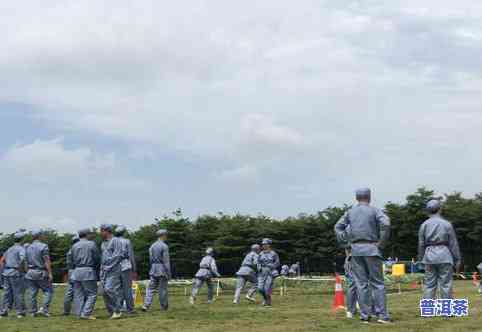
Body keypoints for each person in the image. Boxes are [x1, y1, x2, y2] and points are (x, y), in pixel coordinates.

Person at [335, 188, 391, 324]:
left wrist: (346, 242)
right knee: (377, 283)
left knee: (361, 284)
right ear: (369, 197)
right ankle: (382, 316)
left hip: (355, 250)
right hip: (371, 248)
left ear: (356, 197)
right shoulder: (374, 210)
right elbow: (386, 223)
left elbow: (338, 227)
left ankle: (365, 315)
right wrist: (381, 243)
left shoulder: (350, 212)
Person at [418, 199, 461, 299]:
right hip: (445, 256)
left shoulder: (424, 225)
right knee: (446, 284)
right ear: (440, 209)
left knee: (429, 284)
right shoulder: (447, 224)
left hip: (429, 256)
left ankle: (427, 312)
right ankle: (447, 311)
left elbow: (421, 245)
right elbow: (453, 244)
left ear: (428, 210)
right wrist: (457, 259)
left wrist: (421, 260)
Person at [72, 228, 100, 320]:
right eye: (90, 234)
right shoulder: (91, 244)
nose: (91, 235)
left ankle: (78, 313)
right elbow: (97, 258)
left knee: (78, 293)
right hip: (88, 270)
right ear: (87, 235)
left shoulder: (74, 245)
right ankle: (86, 313)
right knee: (92, 293)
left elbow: (72, 259)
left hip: (76, 271)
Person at [25, 229, 54, 317]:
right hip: (40, 272)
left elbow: (25, 261)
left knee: (32, 293)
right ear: (39, 236)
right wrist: (50, 273)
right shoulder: (43, 246)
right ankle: (44, 310)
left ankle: (33, 312)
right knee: (48, 291)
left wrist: (27, 271)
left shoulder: (27, 247)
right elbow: (46, 260)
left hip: (30, 272)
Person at [100, 224, 126, 319]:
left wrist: (109, 266)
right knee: (103, 292)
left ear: (107, 231)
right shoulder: (103, 243)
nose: (100, 233)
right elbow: (103, 258)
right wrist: (102, 269)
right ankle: (112, 311)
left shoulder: (116, 241)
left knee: (109, 289)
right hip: (104, 270)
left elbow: (118, 255)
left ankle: (118, 310)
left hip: (113, 269)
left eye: (101, 231)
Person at [0, 231, 27, 319]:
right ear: (22, 240)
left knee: (6, 293)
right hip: (15, 273)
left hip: (6, 273)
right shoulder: (21, 249)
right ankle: (20, 312)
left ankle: (3, 311)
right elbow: (23, 259)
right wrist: (21, 268)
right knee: (18, 293)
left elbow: (2, 260)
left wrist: (2, 271)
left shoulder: (9, 249)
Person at [142, 229, 171, 311]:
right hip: (162, 269)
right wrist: (168, 273)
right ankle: (164, 306)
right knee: (162, 289)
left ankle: (146, 305)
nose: (166, 237)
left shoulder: (152, 246)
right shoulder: (164, 246)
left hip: (153, 268)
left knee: (150, 288)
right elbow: (166, 261)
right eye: (166, 235)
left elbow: (150, 259)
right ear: (163, 235)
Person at [115, 225, 137, 314]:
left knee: (118, 289)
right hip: (125, 265)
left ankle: (119, 307)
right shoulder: (127, 241)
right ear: (124, 232)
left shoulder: (112, 242)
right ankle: (130, 308)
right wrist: (134, 268)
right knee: (127, 288)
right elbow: (131, 255)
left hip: (115, 267)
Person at [257, 238, 280, 307]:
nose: (263, 245)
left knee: (267, 288)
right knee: (260, 288)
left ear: (269, 245)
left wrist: (272, 266)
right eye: (263, 244)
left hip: (270, 272)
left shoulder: (273, 253)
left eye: (265, 244)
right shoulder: (260, 253)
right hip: (262, 272)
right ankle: (266, 299)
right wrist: (259, 268)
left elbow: (277, 262)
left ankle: (268, 301)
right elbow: (258, 262)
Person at [63, 234, 80, 316]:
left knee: (69, 291)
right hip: (77, 271)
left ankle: (66, 310)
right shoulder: (77, 250)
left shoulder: (69, 250)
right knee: (78, 291)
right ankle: (78, 310)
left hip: (70, 271)